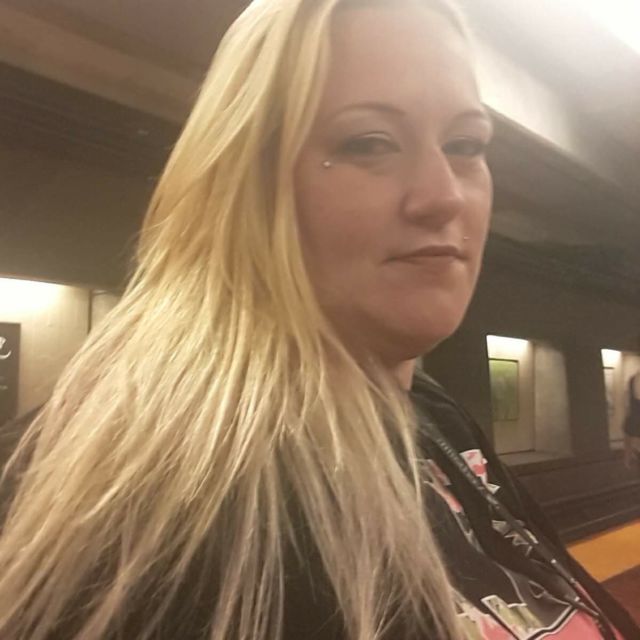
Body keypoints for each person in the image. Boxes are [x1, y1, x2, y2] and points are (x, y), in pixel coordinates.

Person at [0, 0, 637, 638]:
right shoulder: (157, 502)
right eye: (368, 143)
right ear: (247, 182)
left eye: (465, 145)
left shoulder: (433, 417)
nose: (444, 195)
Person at [623, 368, 640, 470]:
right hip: (635, 421)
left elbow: (627, 404)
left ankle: (630, 459)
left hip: (632, 420)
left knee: (629, 441)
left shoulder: (632, 379)